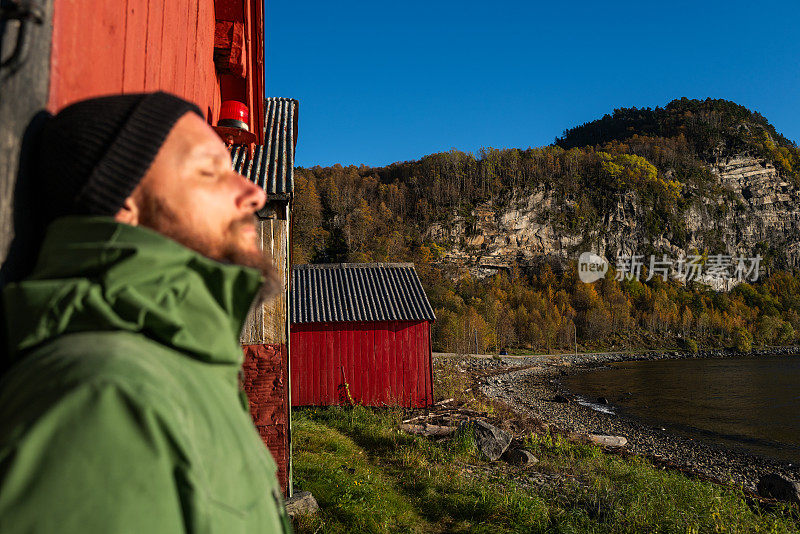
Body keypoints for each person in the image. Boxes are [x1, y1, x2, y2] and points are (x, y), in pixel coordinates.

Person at [0, 92, 292, 533]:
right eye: (210, 172)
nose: (254, 192)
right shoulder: (105, 399)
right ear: (125, 203)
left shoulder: (183, 371)